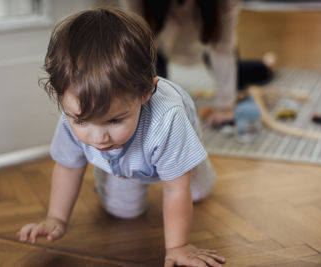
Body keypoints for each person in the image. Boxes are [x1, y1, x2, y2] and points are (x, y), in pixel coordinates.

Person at [17, 7, 226, 267]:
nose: (98, 138)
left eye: (114, 120)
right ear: (63, 99)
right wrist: (56, 219)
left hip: (172, 148)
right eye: (81, 121)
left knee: (198, 191)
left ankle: (195, 166)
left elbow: (175, 188)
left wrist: (177, 246)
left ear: (146, 92)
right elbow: (68, 166)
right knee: (122, 212)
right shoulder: (74, 110)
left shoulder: (168, 118)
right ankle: (113, 174)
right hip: (122, 163)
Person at [121, 0, 274, 128]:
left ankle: (268, 63)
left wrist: (225, 107)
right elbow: (135, 43)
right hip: (156, 46)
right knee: (154, 98)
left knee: (250, 75)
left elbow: (222, 49)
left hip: (207, 43)